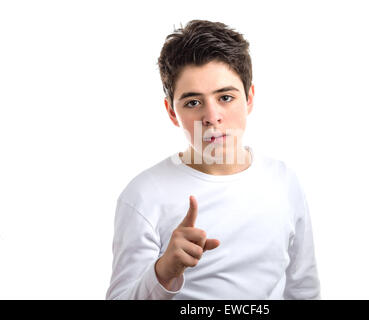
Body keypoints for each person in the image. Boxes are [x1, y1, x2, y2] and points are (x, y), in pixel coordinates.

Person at [105, 19, 321, 300]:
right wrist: (162, 272)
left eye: (226, 97)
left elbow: (303, 289)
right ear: (172, 112)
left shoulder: (284, 182)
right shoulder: (144, 196)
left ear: (249, 98)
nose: (211, 116)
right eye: (193, 102)